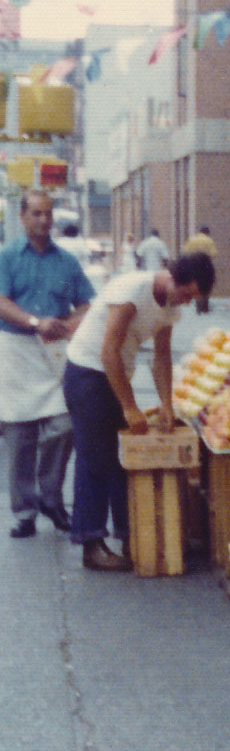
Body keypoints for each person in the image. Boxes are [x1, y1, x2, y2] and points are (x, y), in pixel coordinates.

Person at [63, 252, 215, 571]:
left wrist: (167, 405)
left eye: (192, 299)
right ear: (174, 277)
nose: (186, 303)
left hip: (115, 375)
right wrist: (130, 407)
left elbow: (161, 358)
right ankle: (90, 544)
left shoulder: (170, 308)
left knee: (123, 459)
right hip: (87, 373)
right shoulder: (132, 290)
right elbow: (109, 352)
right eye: (186, 294)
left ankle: (131, 537)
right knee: (94, 458)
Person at [0, 190, 95, 539]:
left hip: (53, 354)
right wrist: (34, 322)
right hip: (15, 350)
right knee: (19, 436)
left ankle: (51, 498)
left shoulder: (67, 263)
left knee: (65, 423)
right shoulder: (7, 257)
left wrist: (67, 325)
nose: (44, 220)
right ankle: (24, 512)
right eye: (37, 213)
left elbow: (88, 303)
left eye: (48, 213)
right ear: (23, 216)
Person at [181, 226, 217, 313]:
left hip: (194, 266)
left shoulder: (192, 240)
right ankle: (205, 307)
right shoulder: (209, 241)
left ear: (199, 232)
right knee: (206, 285)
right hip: (205, 266)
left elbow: (185, 252)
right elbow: (213, 254)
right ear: (207, 233)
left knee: (196, 285)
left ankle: (198, 306)